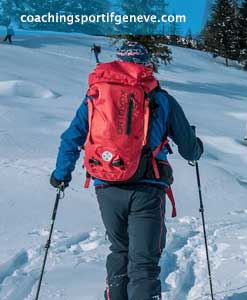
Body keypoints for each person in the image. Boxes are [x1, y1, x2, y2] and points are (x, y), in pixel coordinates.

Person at [50, 41, 203, 300]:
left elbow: (71, 138)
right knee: (143, 261)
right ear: (147, 65)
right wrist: (196, 147)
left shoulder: (96, 95)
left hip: (106, 184)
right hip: (147, 187)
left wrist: (61, 174)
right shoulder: (161, 98)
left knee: (119, 250)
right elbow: (189, 149)